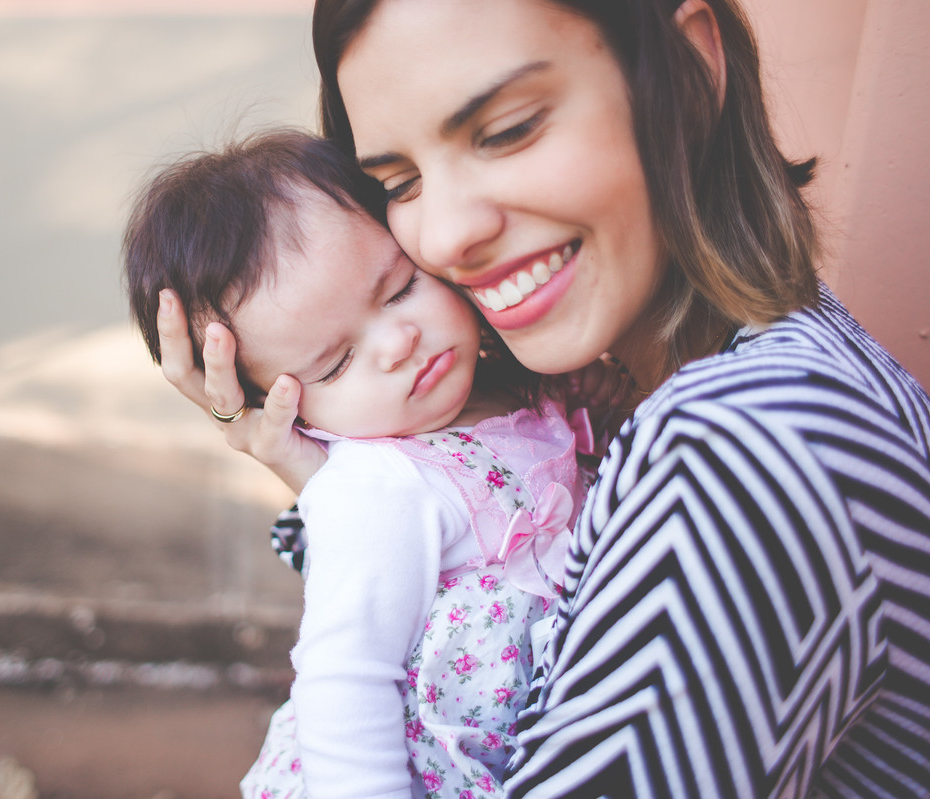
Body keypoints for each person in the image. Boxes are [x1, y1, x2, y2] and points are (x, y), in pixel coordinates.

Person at [153, 0, 930, 796]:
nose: (445, 237)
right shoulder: (785, 353)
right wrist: (324, 465)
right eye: (400, 182)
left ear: (690, 71)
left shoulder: (733, 459)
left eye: (507, 130)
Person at [124, 129, 613, 797]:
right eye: (336, 362)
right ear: (285, 409)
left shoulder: (514, 386)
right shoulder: (375, 489)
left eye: (400, 287)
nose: (398, 342)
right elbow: (343, 684)